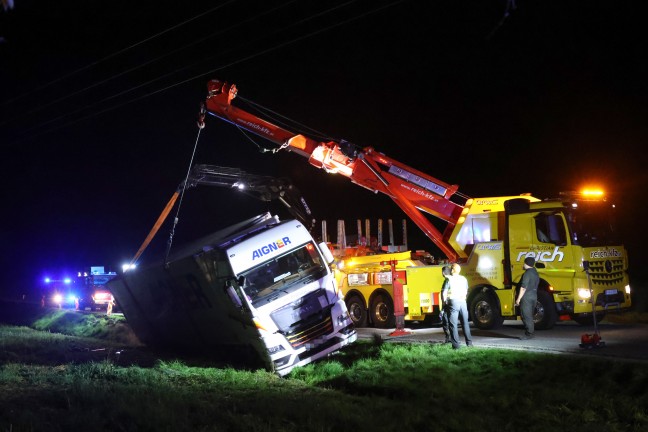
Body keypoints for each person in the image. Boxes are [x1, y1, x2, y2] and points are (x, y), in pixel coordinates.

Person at [446, 263, 473, 349]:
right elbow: (466, 290)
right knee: (465, 323)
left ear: (452, 270)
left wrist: (444, 302)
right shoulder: (463, 279)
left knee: (453, 324)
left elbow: (444, 292)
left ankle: (456, 346)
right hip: (463, 302)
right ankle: (469, 343)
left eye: (451, 269)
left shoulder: (449, 279)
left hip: (454, 301)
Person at [515, 256, 539, 340]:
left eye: (524, 263)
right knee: (530, 315)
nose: (523, 264)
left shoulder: (527, 273)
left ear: (526, 263)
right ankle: (530, 332)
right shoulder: (535, 272)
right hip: (534, 296)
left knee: (526, 315)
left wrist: (518, 299)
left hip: (527, 297)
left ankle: (529, 333)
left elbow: (523, 287)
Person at [439, 265, 452, 343]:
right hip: (453, 303)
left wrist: (443, 306)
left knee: (445, 321)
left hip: (447, 303)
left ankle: (448, 339)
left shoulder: (447, 281)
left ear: (443, 273)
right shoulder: (454, 279)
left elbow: (444, 293)